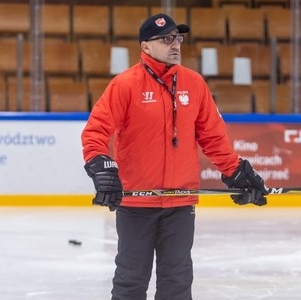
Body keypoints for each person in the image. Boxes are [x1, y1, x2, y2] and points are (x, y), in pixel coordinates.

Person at [81, 14, 268, 300]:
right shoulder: (125, 85)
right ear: (146, 47)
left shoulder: (194, 84)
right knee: (130, 280)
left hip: (180, 203)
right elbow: (96, 130)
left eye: (178, 38)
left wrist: (234, 171)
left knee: (177, 283)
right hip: (136, 203)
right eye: (166, 39)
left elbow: (213, 137)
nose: (175, 44)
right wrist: (100, 165)